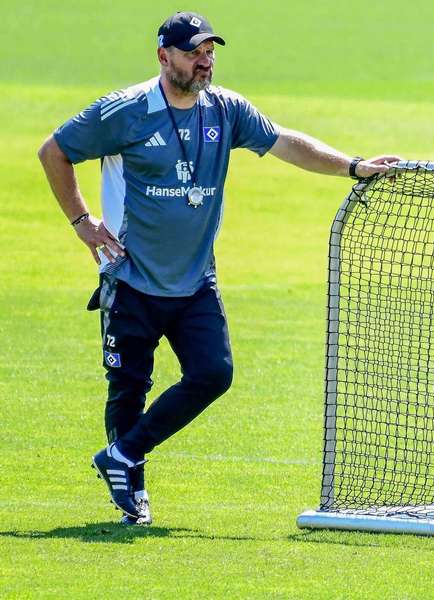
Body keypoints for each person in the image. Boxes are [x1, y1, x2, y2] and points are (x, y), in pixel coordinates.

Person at [37, 11, 399, 525]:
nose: (204, 60)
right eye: (193, 52)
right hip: (130, 277)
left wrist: (352, 166)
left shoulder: (226, 110)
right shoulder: (125, 110)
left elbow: (284, 142)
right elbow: (54, 151)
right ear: (164, 57)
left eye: (210, 51)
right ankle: (131, 493)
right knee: (129, 388)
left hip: (194, 280)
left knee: (214, 373)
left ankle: (120, 455)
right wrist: (81, 222)